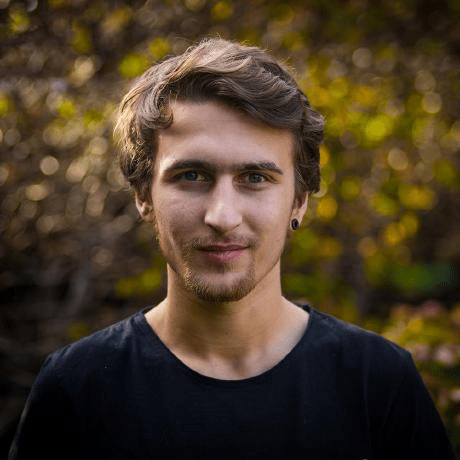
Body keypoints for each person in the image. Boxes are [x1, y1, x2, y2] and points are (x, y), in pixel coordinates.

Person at [9, 38, 454, 459]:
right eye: (191, 176)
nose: (222, 215)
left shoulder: (379, 384)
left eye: (255, 178)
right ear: (144, 195)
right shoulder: (75, 390)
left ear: (299, 200)